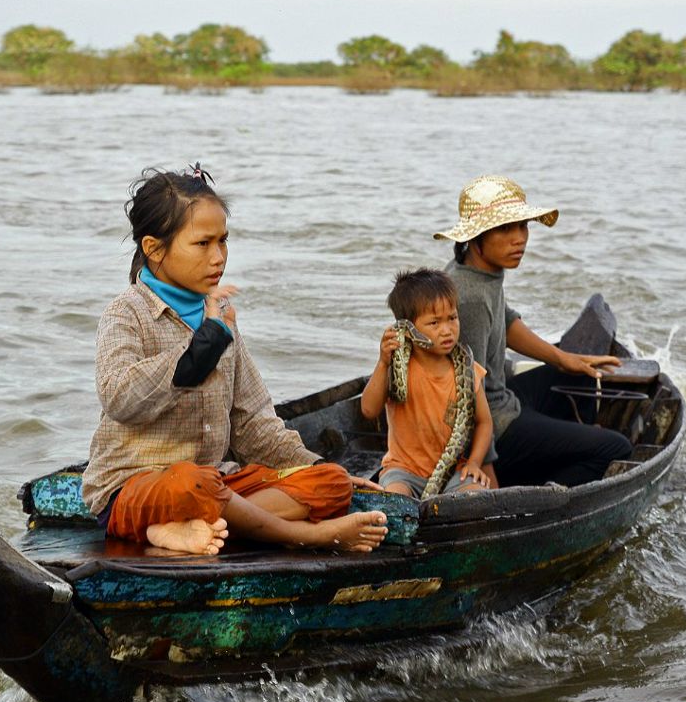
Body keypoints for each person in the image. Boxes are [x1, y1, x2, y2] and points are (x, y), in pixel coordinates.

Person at [82, 166, 388, 556]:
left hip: (216, 486)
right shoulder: (128, 312)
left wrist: (309, 465)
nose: (219, 257)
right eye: (203, 244)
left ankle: (193, 529)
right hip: (138, 488)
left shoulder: (220, 315)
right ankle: (303, 534)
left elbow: (252, 422)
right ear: (154, 249)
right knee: (193, 483)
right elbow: (120, 397)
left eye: (223, 241)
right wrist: (197, 353)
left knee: (332, 483)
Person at [433, 174, 633, 487]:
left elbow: (507, 321)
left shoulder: (479, 272)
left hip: (504, 399)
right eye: (504, 228)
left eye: (522, 226)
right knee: (616, 447)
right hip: (494, 425)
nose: (520, 238)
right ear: (474, 237)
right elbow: (464, 396)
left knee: (579, 374)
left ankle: (565, 446)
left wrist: (563, 359)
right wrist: (485, 465)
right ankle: (544, 492)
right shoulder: (468, 294)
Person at [359, 268, 496, 498]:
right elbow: (369, 410)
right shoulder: (397, 366)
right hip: (403, 470)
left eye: (452, 318)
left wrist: (474, 463)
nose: (447, 330)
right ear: (408, 328)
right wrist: (382, 363)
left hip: (454, 471)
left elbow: (484, 423)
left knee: (476, 495)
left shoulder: (468, 370)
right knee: (396, 499)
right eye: (434, 323)